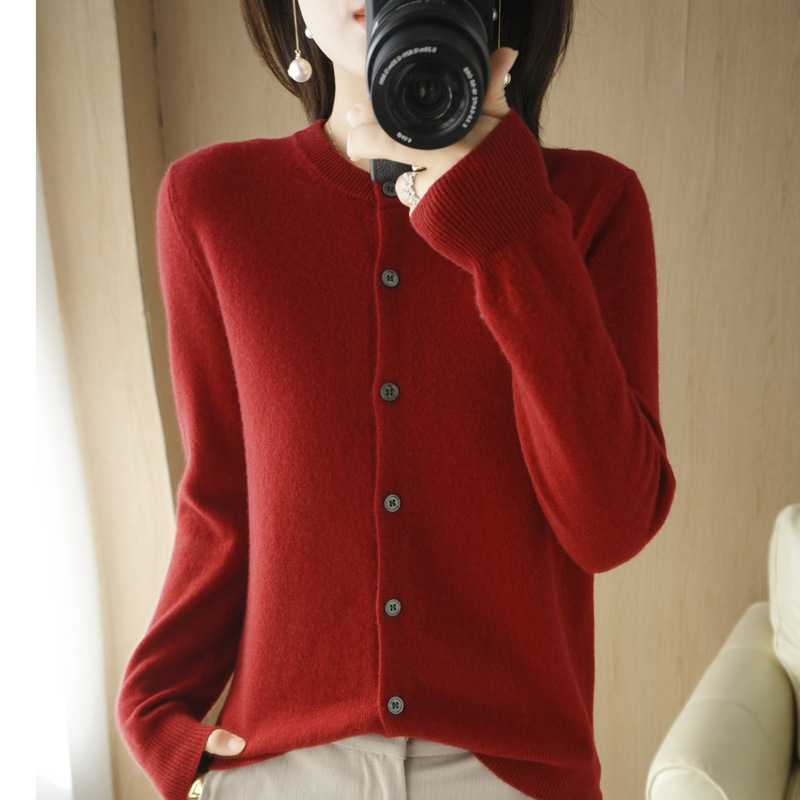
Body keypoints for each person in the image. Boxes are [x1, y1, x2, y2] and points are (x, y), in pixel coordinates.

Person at [116, 1, 676, 798]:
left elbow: (609, 524)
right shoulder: (212, 202)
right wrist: (155, 714)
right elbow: (221, 501)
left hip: (505, 776)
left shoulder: (589, 205)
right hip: (278, 771)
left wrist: (507, 225)